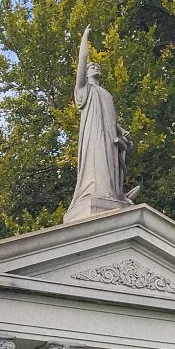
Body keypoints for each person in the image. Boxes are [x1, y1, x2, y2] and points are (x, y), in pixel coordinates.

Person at [70, 25, 135, 215]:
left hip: (109, 136)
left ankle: (113, 194)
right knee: (96, 163)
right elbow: (82, 63)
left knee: (109, 166)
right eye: (92, 67)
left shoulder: (106, 94)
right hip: (93, 134)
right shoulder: (84, 89)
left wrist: (121, 131)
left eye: (97, 66)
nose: (95, 67)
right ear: (87, 73)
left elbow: (109, 116)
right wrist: (84, 40)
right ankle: (95, 192)